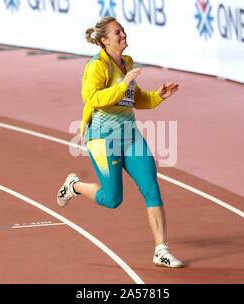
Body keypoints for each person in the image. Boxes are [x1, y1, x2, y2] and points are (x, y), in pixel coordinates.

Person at [57, 16, 183, 268]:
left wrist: (158, 96)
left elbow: (135, 99)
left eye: (123, 30)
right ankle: (75, 185)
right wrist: (122, 84)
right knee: (113, 199)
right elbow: (91, 97)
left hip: (130, 135)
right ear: (104, 40)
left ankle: (161, 250)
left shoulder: (127, 63)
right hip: (103, 139)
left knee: (151, 188)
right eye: (117, 32)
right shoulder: (97, 66)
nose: (123, 35)